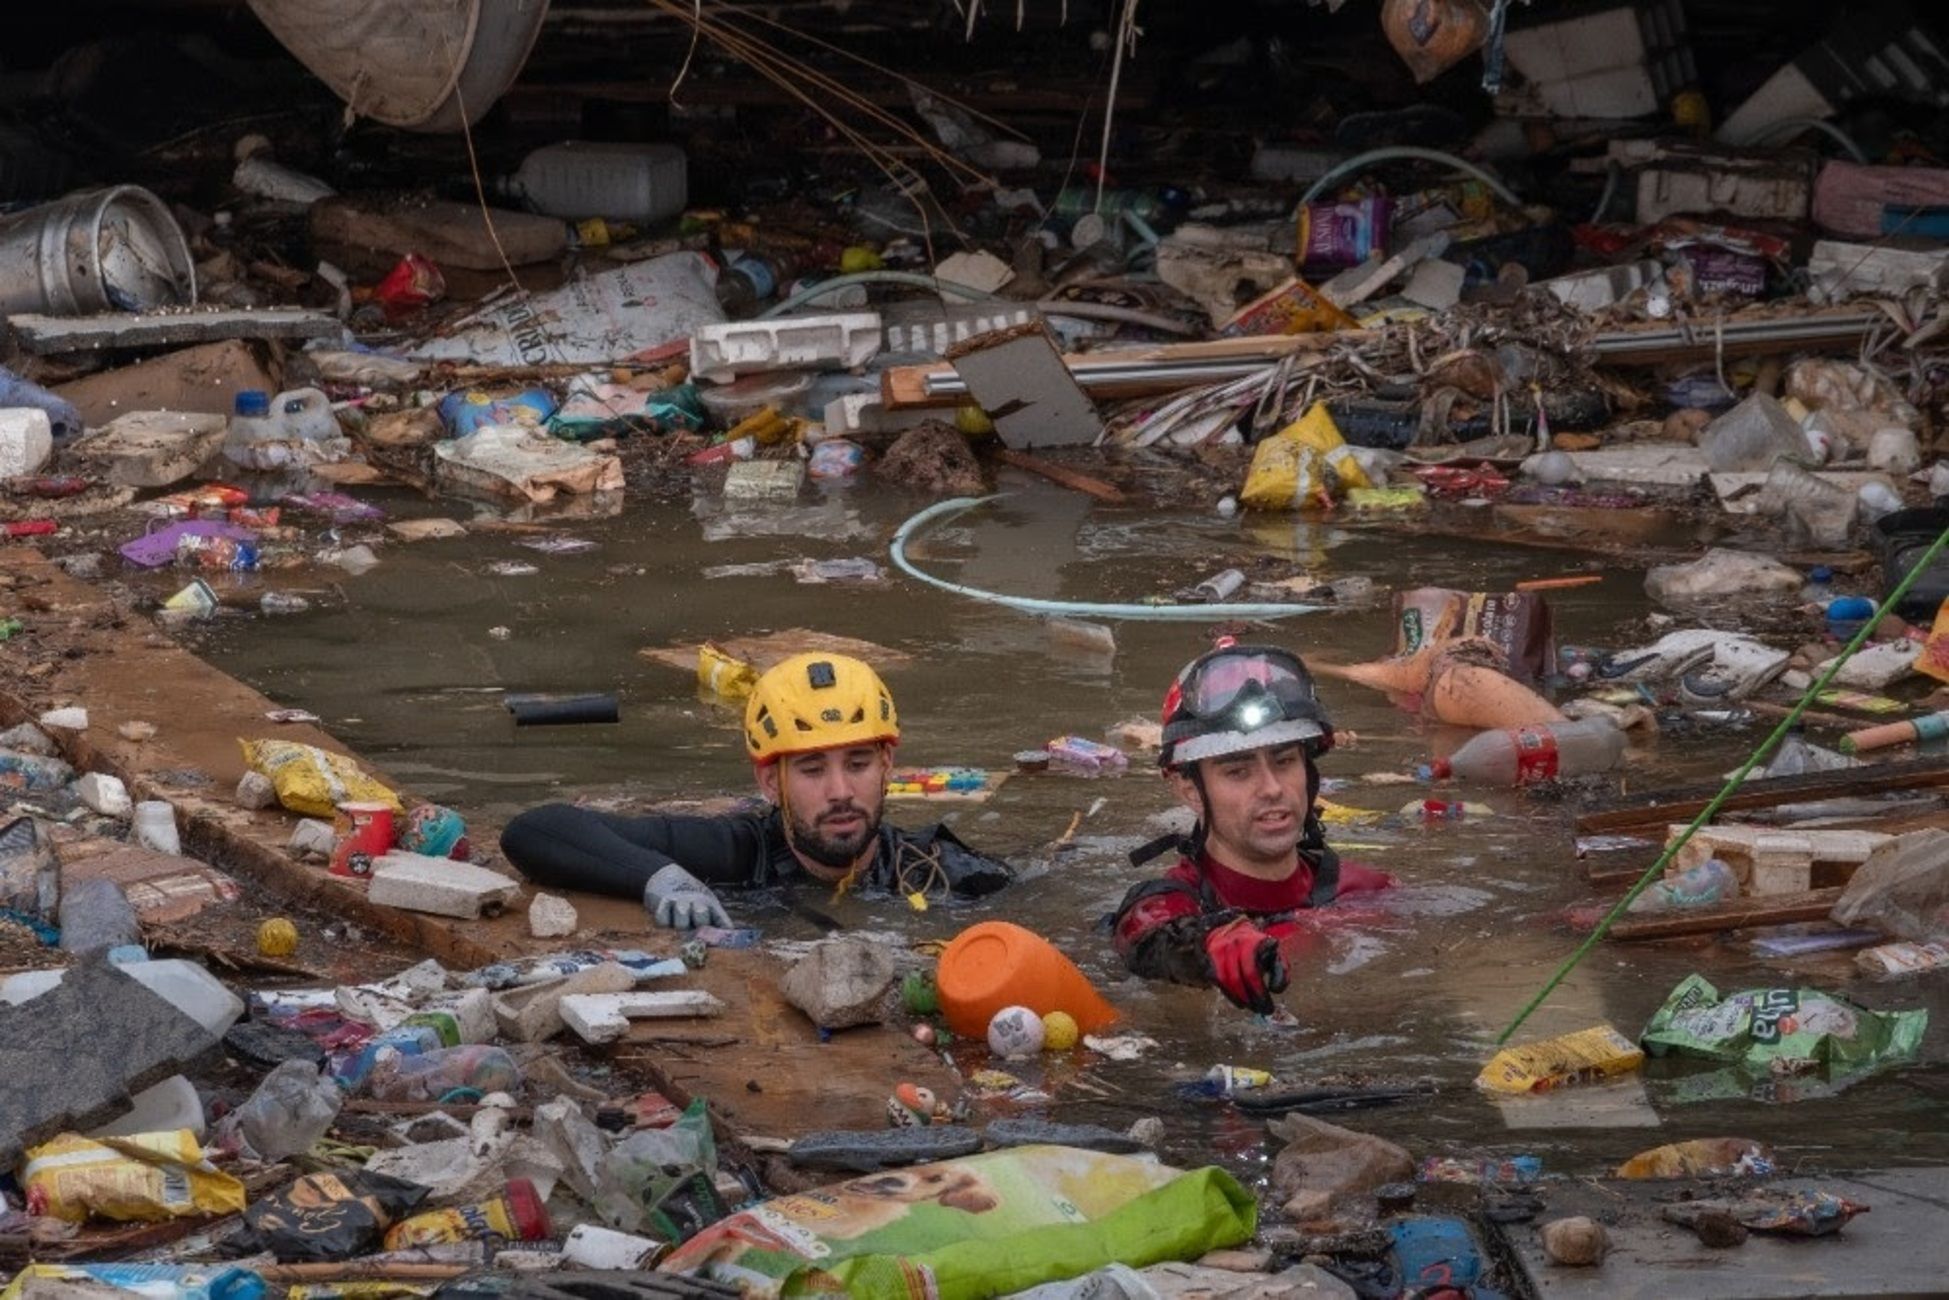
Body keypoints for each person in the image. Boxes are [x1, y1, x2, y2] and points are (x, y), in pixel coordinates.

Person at [501, 653, 1012, 928]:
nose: (840, 792)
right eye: (812, 770)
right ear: (770, 781)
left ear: (887, 765)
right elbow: (535, 830)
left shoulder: (935, 870)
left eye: (858, 764)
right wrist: (658, 877)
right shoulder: (737, 853)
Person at [1111, 640, 1392, 1013]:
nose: (1272, 788)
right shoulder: (1164, 905)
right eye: (1238, 771)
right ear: (1190, 789)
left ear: (1308, 771)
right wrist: (1206, 947)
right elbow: (1148, 941)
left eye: (1285, 761)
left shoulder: (1369, 892)